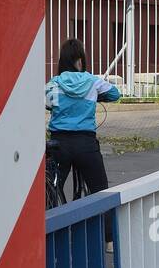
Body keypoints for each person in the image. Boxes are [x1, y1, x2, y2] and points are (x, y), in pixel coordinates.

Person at [45, 38, 120, 199]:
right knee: (101, 193)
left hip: (59, 144)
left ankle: (49, 219)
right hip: (85, 144)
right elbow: (115, 94)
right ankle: (104, 223)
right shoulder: (92, 81)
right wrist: (95, 98)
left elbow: (47, 103)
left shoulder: (53, 83)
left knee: (49, 191)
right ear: (80, 60)